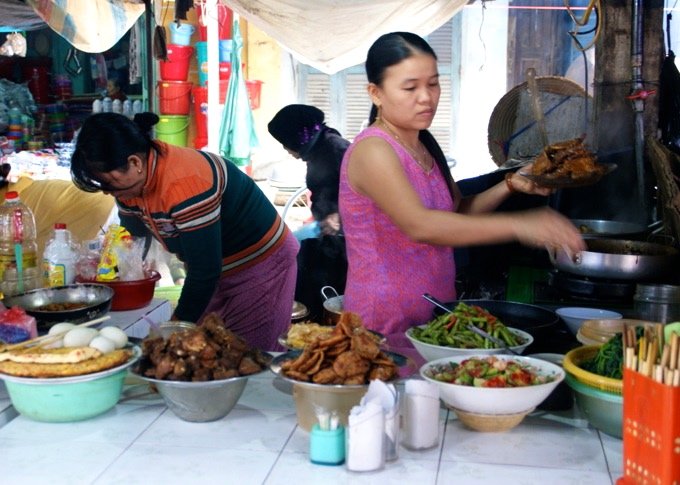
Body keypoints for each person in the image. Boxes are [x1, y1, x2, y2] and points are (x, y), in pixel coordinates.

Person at [338, 32, 586, 351]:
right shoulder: (373, 150)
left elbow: (455, 214)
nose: (426, 97)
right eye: (410, 87)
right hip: (383, 323)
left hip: (435, 315)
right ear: (376, 93)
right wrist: (521, 225)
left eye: (433, 83)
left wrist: (510, 184)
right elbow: (422, 225)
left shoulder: (423, 144)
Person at [70, 112, 299, 351]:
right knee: (209, 349)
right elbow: (133, 238)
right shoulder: (131, 184)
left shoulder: (185, 183)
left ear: (135, 163)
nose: (108, 192)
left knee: (250, 356)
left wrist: (176, 326)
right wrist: (109, 272)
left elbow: (205, 271)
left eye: (108, 183)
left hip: (261, 266)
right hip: (216, 270)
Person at [268, 104, 349, 240]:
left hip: (347, 234)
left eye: (284, 141)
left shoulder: (337, 150)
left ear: (294, 137)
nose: (285, 148)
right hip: (329, 231)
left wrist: (339, 215)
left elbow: (367, 193)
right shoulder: (318, 151)